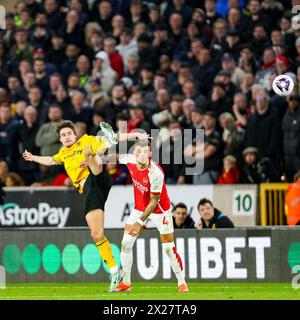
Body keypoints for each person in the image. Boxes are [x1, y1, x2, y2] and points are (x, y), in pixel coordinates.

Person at [23, 120, 146, 292]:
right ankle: (114, 272)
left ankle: (107, 142)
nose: (66, 137)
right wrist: (33, 157)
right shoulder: (63, 153)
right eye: (63, 135)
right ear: (60, 139)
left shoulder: (86, 140)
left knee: (91, 151)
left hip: (95, 177)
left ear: (75, 134)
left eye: (69, 134)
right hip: (91, 190)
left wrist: (135, 135)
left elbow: (119, 135)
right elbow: (50, 160)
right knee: (97, 235)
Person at [102, 140, 188, 293]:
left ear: (150, 154)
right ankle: (126, 283)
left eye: (145, 151)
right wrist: (96, 158)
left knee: (168, 248)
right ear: (134, 152)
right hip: (139, 208)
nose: (141, 154)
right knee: (126, 243)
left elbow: (154, 202)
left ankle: (182, 283)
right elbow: (115, 157)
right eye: (138, 151)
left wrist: (140, 222)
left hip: (160, 210)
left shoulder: (156, 173)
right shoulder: (130, 159)